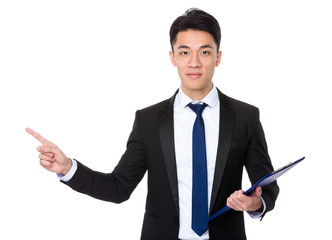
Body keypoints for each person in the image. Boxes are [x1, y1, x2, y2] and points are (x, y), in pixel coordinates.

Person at [26, 8, 279, 240]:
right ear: (172, 58)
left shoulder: (246, 117)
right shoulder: (148, 120)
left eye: (204, 51)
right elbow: (119, 187)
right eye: (184, 52)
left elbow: (267, 187)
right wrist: (69, 168)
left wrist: (255, 204)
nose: (194, 62)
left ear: (218, 57)